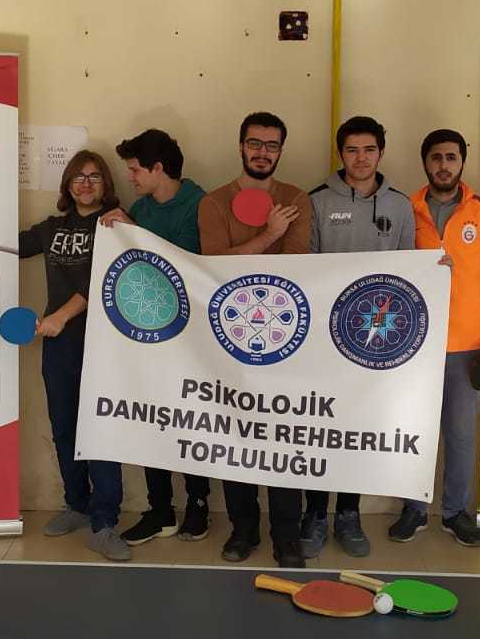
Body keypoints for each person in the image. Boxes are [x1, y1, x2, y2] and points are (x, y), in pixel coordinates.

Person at [197, 111, 312, 567]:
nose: (263, 152)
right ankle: (243, 530)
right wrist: (269, 236)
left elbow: (295, 267)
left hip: (286, 338)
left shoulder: (296, 199)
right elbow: (215, 266)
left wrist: (249, 251)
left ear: (281, 150)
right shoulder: (213, 203)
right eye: (255, 143)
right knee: (235, 438)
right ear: (241, 146)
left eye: (271, 145)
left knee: (283, 439)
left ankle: (287, 536)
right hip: (229, 338)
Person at [301, 115, 415, 559]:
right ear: (340, 154)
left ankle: (348, 513)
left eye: (369, 149)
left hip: (373, 343)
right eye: (352, 150)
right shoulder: (316, 201)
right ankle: (315, 514)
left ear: (381, 153)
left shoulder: (400, 206)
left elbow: (409, 273)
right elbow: (306, 270)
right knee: (319, 430)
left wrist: (434, 270)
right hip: (323, 341)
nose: (361, 158)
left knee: (356, 430)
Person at [395, 129, 480, 547]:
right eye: (436, 157)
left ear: (462, 161)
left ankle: (455, 512)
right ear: (425, 162)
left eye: (451, 157)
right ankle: (414, 509)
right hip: (414, 345)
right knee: (412, 432)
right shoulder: (405, 208)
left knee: (460, 435)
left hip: (468, 345)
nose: (444, 165)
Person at [101, 127, 212, 545]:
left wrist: (133, 230)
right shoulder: (141, 208)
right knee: (152, 421)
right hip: (148, 335)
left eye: (135, 170)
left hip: (192, 338)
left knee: (192, 422)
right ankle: (160, 509)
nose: (130, 177)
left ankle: (198, 504)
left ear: (158, 168)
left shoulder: (199, 204)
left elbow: (190, 264)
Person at [20, 149, 127, 561]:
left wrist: (60, 317)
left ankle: (105, 523)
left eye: (94, 177)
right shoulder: (52, 228)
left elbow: (98, 280)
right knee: (64, 429)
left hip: (104, 345)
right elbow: (8, 246)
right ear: (67, 183)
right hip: (59, 347)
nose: (85, 183)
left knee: (102, 433)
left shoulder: (115, 225)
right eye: (78, 177)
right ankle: (77, 505)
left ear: (106, 184)